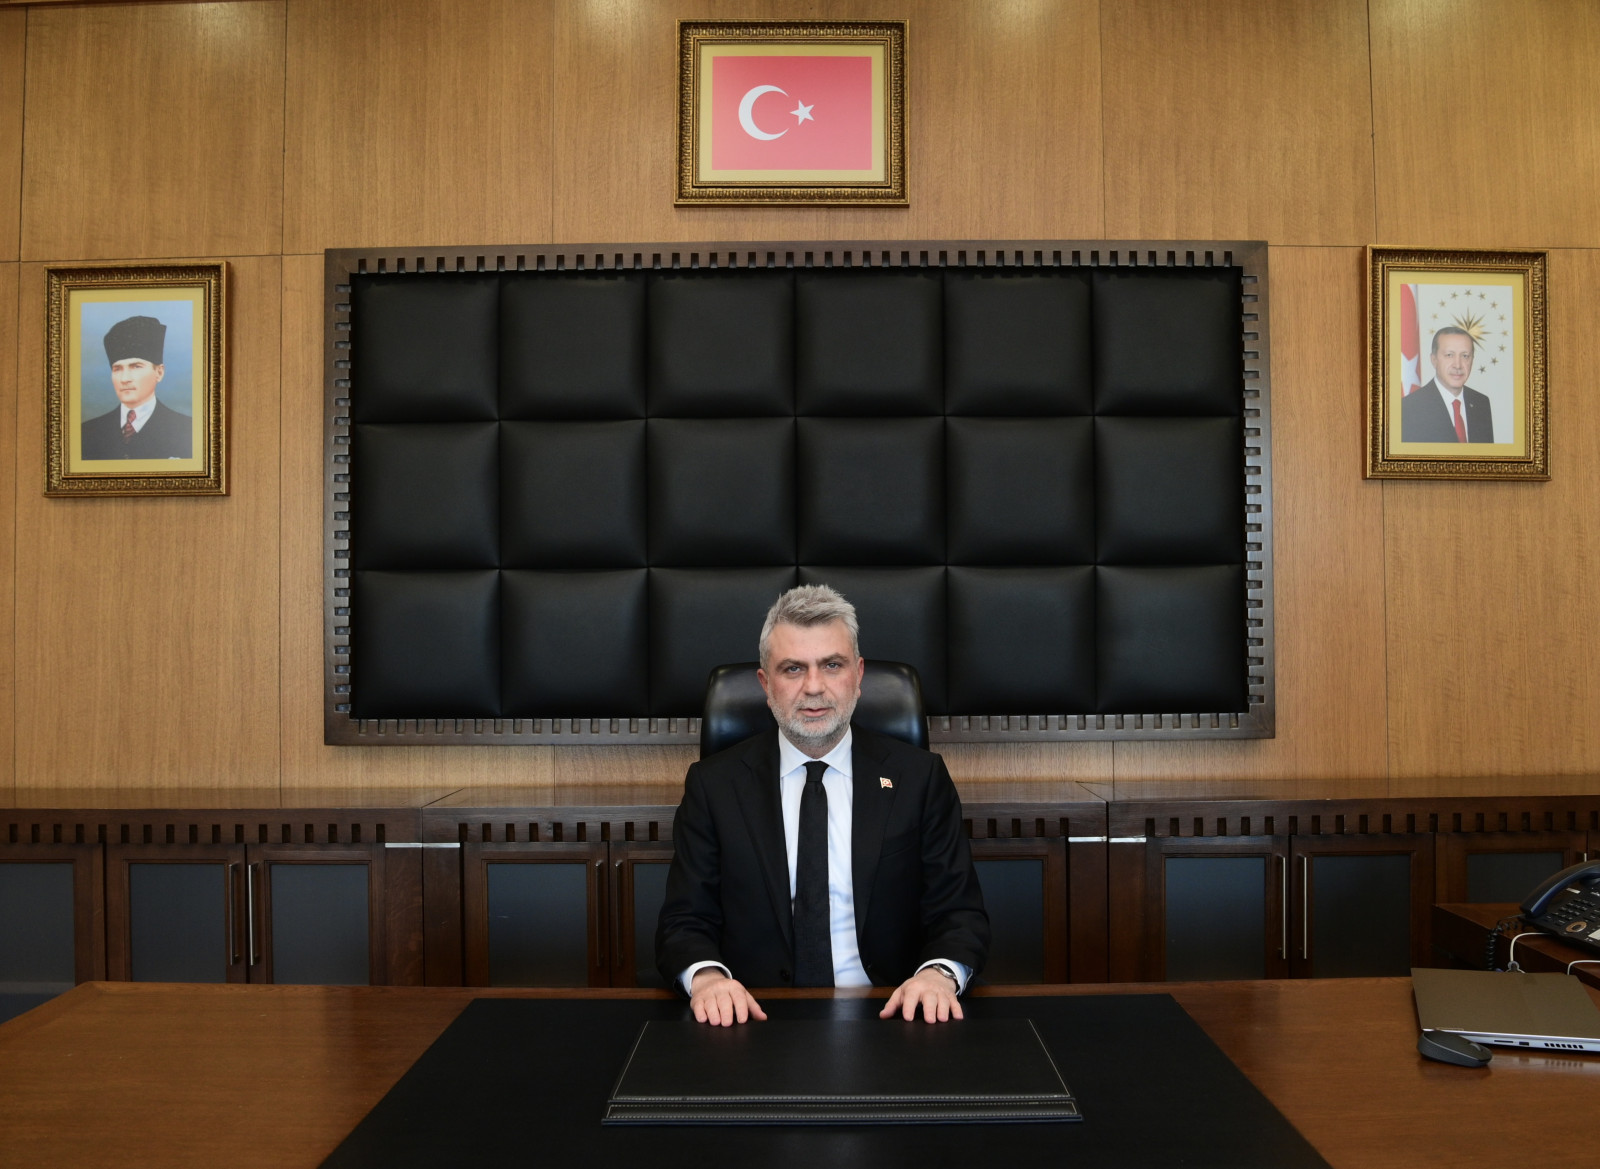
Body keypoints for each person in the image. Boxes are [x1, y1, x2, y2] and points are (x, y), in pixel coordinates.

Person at [656, 584, 990, 1026]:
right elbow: (684, 920)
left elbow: (959, 913)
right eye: (793, 669)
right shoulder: (713, 786)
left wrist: (938, 975)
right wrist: (708, 979)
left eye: (832, 665)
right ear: (766, 684)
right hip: (752, 1016)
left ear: (858, 674)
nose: (814, 687)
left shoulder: (920, 779)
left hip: (892, 1013)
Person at [81, 315, 193, 460]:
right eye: (117, 369)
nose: (125, 378)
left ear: (159, 372)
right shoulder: (87, 432)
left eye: (136, 366)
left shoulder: (187, 429)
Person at [1401, 326, 1494, 444]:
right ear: (1434, 360)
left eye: (1465, 356)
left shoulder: (1481, 403)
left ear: (1472, 360)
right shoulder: (1409, 407)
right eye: (1449, 355)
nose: (1458, 365)